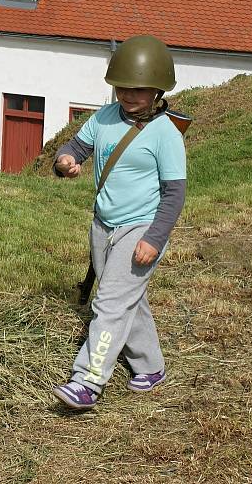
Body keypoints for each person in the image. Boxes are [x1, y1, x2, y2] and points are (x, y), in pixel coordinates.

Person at [52, 35, 187, 410]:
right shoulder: (104, 117)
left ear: (158, 89)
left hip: (141, 228)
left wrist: (155, 239)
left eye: (139, 89)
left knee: (109, 303)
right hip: (103, 225)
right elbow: (75, 149)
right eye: (123, 87)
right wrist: (64, 162)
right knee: (128, 298)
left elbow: (174, 194)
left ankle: (88, 381)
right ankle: (151, 366)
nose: (129, 95)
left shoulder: (165, 134)